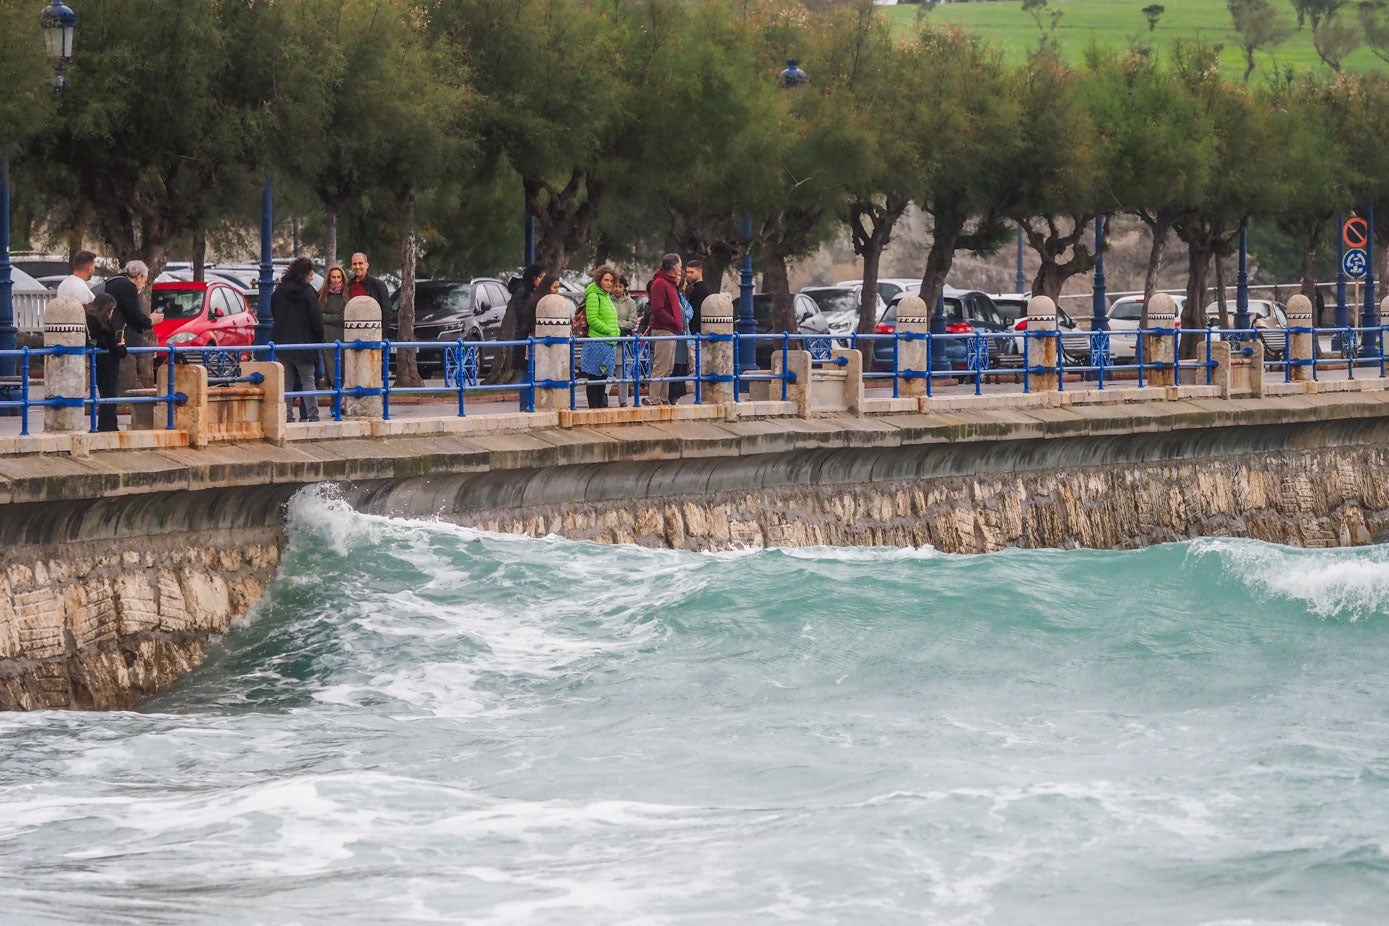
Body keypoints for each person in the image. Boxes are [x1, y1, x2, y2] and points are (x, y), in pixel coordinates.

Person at [271, 257, 326, 423]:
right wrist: (318, 341)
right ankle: (313, 416)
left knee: (286, 383)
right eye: (310, 274)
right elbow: (317, 320)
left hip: (283, 344)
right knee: (308, 381)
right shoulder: (308, 293)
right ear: (305, 274)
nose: (311, 277)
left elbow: (273, 312)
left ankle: (287, 416)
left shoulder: (279, 292)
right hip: (304, 344)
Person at [84, 293, 127, 432]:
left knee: (102, 394)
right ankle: (107, 425)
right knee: (109, 394)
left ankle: (107, 424)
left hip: (96, 361)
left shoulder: (88, 320)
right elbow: (114, 349)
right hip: (108, 363)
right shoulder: (103, 324)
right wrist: (122, 347)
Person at [580, 265, 620, 409]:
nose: (609, 283)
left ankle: (598, 407)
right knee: (595, 377)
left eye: (611, 281)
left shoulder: (606, 296)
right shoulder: (594, 295)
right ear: (599, 280)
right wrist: (608, 330)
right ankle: (593, 407)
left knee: (603, 378)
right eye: (606, 280)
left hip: (609, 342)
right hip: (597, 341)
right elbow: (592, 319)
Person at [645, 253, 683, 405]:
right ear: (674, 268)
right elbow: (658, 308)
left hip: (671, 330)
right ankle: (654, 398)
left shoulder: (670, 284)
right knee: (661, 366)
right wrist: (673, 321)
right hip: (664, 329)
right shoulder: (660, 283)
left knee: (668, 366)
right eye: (679, 266)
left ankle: (663, 397)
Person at [105, 260, 163, 347]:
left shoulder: (115, 281)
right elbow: (135, 315)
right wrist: (151, 321)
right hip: (114, 338)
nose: (144, 286)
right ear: (139, 276)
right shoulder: (128, 287)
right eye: (144, 281)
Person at [612, 274, 639, 407]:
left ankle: (623, 401)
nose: (617, 289)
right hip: (609, 340)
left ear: (624, 287)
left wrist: (615, 324)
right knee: (604, 372)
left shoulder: (630, 303)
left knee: (622, 372)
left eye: (620, 286)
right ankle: (603, 398)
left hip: (623, 341)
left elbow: (632, 323)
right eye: (615, 286)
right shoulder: (607, 300)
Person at [318, 264, 347, 387]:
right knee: (329, 369)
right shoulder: (322, 295)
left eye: (338, 277)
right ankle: (334, 401)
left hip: (341, 336)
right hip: (325, 336)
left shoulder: (346, 295)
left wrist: (324, 317)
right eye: (333, 277)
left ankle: (338, 401)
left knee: (340, 371)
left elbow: (342, 318)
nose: (336, 280)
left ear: (342, 278)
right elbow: (316, 314)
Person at [347, 252, 391, 320]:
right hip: (351, 328)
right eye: (354, 264)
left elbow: (386, 312)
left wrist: (380, 330)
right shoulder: (347, 285)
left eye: (360, 263)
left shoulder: (378, 285)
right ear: (351, 266)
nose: (357, 267)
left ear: (367, 265)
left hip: (372, 329)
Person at [685, 259, 716, 336]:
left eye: (692, 272)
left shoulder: (702, 290)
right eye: (687, 272)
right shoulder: (691, 289)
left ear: (699, 271)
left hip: (698, 331)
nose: (689, 275)